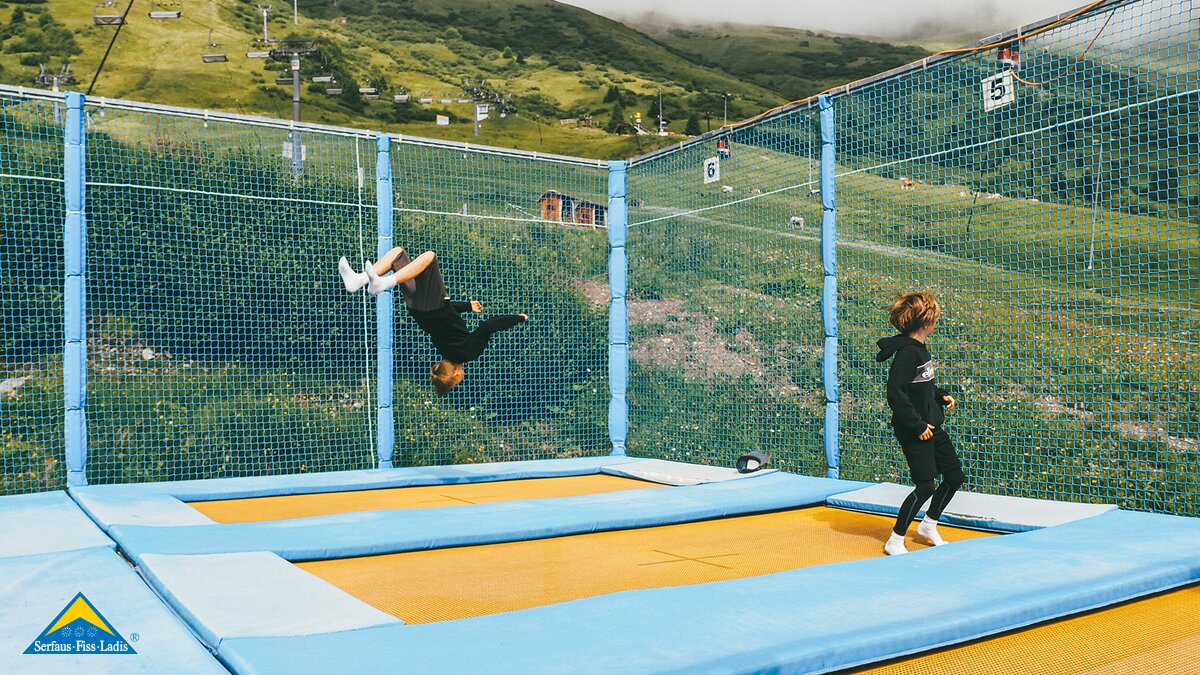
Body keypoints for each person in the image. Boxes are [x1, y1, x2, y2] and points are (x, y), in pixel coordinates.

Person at [338, 248, 527, 396]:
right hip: (419, 310)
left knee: (429, 257)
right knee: (398, 254)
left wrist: (517, 318)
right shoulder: (446, 349)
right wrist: (467, 306)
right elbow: (448, 317)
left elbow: (487, 326)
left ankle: (382, 283)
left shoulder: (469, 353)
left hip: (433, 307)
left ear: (456, 375)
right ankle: (359, 280)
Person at [875, 291, 964, 556]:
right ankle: (895, 540)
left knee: (954, 476)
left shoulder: (920, 350)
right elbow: (896, 393)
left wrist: (940, 395)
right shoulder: (907, 354)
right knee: (925, 486)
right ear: (926, 322)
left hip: (932, 426)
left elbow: (921, 386)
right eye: (935, 318)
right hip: (915, 430)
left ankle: (928, 524)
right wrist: (917, 425)